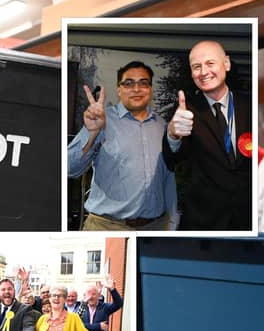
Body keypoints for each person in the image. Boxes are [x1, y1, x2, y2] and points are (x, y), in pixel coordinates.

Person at [68, 61, 176, 231]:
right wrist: (92, 134)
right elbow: (69, 168)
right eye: (129, 83)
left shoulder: (163, 126)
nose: (136, 89)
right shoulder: (102, 120)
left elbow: (168, 178)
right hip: (106, 227)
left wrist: (172, 222)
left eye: (143, 83)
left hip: (155, 227)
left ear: (150, 89)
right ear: (119, 90)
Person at [163, 40, 251, 230]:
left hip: (250, 221)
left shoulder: (251, 107)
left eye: (210, 63)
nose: (203, 72)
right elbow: (171, 159)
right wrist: (173, 134)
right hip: (203, 223)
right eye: (196, 67)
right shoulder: (185, 111)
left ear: (226, 63)